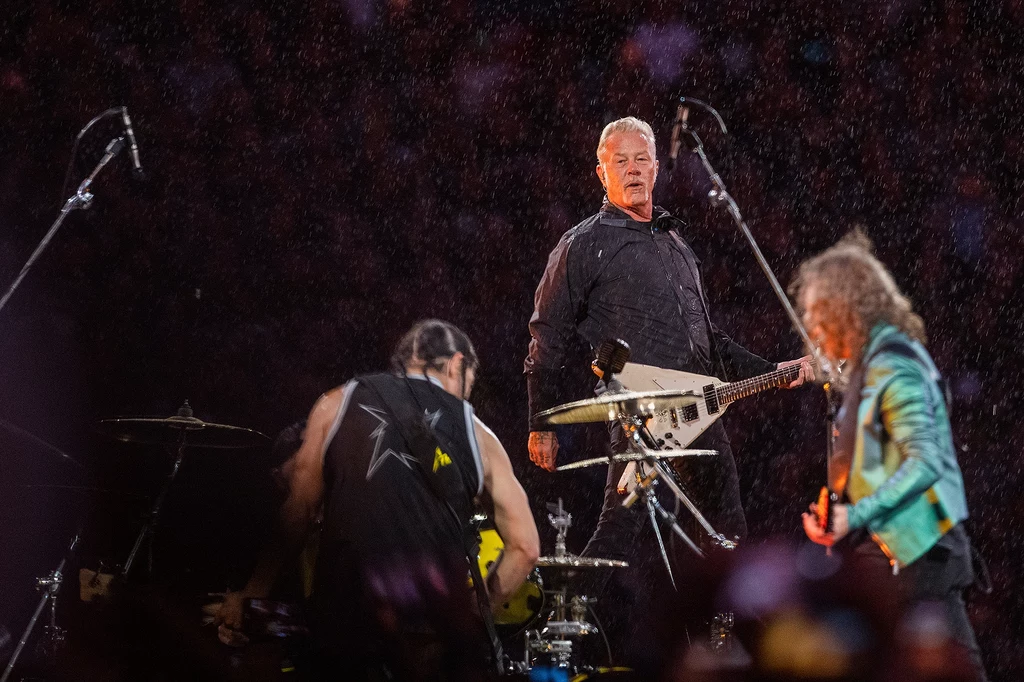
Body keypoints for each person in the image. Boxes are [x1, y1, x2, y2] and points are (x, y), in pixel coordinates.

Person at [524, 116, 812, 655]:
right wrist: (541, 422)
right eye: (621, 162)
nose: (633, 171)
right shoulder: (584, 245)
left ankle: (723, 649)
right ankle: (546, 635)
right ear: (601, 172)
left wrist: (779, 370)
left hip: (699, 409)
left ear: (657, 168)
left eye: (641, 160)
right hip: (641, 408)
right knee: (621, 530)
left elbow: (711, 342)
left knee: (725, 531)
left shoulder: (678, 243)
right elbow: (547, 335)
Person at [218, 319, 540, 680]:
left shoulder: (336, 402)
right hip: (431, 638)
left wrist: (253, 595)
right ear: (456, 364)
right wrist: (472, 616)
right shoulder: (480, 436)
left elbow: (299, 511)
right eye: (470, 383)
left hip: (346, 631)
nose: (465, 396)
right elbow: (526, 548)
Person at [796, 233, 987, 681]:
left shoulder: (893, 365)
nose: (812, 327)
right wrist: (841, 522)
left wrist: (855, 515)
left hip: (918, 559)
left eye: (817, 313)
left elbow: (926, 461)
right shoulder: (875, 362)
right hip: (899, 557)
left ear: (846, 309)